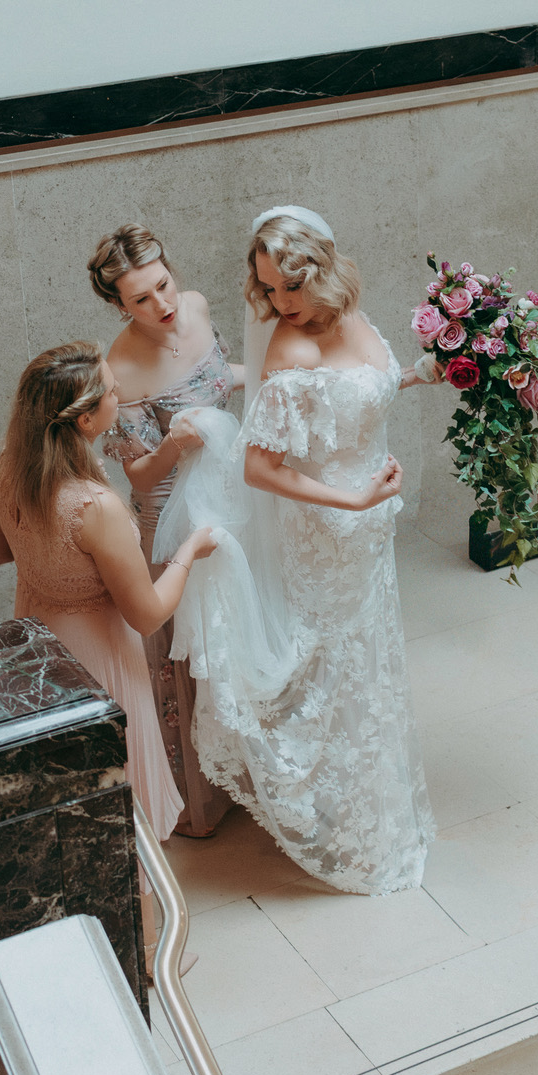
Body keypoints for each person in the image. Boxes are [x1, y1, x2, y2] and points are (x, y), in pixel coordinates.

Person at [154, 206, 438, 895]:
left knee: (368, 658)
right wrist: (353, 500)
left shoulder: (356, 320)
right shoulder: (290, 350)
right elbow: (261, 469)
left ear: (325, 270)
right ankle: (326, 815)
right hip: (326, 527)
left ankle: (369, 802)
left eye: (291, 286)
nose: (280, 303)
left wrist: (421, 374)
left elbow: (354, 396)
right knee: (330, 661)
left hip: (371, 524)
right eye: (268, 289)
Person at [0, 341, 216, 967]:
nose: (120, 396)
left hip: (36, 647)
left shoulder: (4, 469)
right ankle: (142, 951)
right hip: (99, 657)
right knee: (122, 797)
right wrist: (190, 552)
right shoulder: (95, 506)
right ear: (85, 420)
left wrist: (49, 565)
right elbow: (145, 612)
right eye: (112, 391)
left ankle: (80, 920)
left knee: (68, 792)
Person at [88, 224, 243, 837]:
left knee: (236, 629)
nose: (163, 305)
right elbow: (139, 472)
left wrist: (286, 373)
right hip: (169, 506)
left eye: (163, 285)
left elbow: (221, 378)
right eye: (142, 300)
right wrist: (177, 444)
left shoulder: (198, 306)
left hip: (228, 485)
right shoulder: (119, 368)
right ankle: (196, 800)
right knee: (186, 650)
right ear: (118, 306)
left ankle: (251, 771)